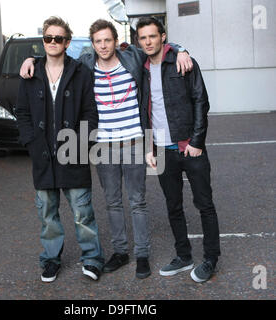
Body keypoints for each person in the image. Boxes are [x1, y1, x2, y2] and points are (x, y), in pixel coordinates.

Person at [20, 19, 193, 279]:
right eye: (98, 41)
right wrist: (32, 58)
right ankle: (121, 252)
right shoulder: (86, 65)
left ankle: (142, 254)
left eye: (107, 40)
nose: (103, 45)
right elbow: (56, 53)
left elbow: (156, 46)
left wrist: (181, 49)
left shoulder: (132, 57)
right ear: (92, 44)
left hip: (135, 141)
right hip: (104, 147)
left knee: (137, 202)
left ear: (116, 41)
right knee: (112, 202)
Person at [16, 16, 104, 283]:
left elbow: (91, 112)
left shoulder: (81, 72)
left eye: (58, 38)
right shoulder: (30, 73)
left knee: (82, 212)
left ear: (66, 42)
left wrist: (79, 144)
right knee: (47, 214)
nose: (52, 42)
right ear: (43, 41)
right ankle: (51, 260)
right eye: (48, 38)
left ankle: (92, 259)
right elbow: (22, 112)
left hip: (73, 154)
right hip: (42, 156)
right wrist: (32, 142)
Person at [136, 17, 221, 283]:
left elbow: (200, 101)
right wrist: (149, 146)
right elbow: (145, 110)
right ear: (139, 41)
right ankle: (183, 256)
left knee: (204, 204)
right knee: (173, 206)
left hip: (189, 147)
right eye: (143, 38)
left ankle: (210, 259)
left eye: (153, 36)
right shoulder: (142, 67)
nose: (148, 41)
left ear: (163, 37)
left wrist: (197, 141)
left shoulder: (184, 62)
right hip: (161, 150)